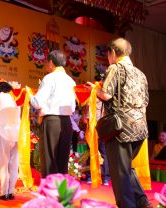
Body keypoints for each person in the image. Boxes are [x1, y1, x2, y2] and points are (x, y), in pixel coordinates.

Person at [87, 38, 152, 208]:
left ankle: (127, 205)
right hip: (140, 129)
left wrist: (94, 89)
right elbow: (146, 101)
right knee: (126, 169)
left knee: (119, 174)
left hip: (121, 130)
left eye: (108, 55)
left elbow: (106, 95)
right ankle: (142, 202)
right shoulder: (140, 73)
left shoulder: (116, 67)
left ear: (113, 53)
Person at [30, 50, 76, 178]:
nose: (45, 65)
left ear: (51, 62)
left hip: (52, 121)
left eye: (46, 62)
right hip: (67, 122)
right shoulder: (71, 80)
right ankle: (61, 195)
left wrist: (28, 94)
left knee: (49, 159)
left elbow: (37, 102)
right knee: (63, 160)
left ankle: (49, 195)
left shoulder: (49, 78)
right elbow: (73, 106)